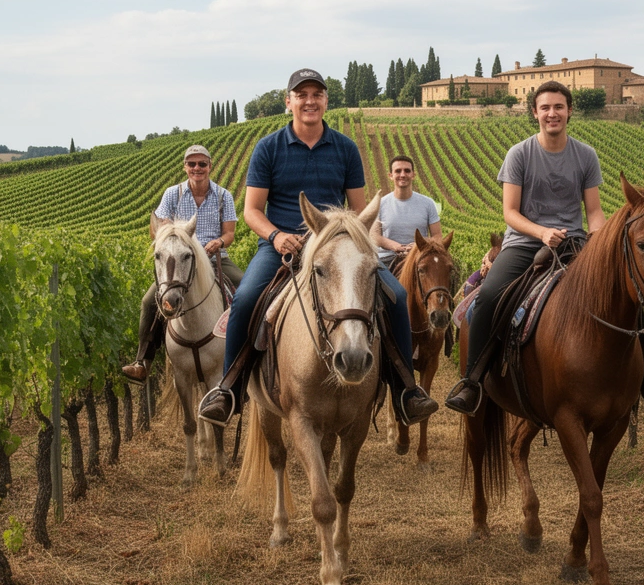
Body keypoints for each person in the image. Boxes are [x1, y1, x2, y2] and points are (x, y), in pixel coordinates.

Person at [197, 69, 439, 426]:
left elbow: (358, 211)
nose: (309, 101)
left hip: (336, 248)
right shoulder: (268, 148)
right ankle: (229, 389)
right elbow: (252, 211)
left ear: (326, 101)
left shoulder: (346, 148)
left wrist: (349, 242)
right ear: (289, 102)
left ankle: (405, 389)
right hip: (281, 247)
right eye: (302, 95)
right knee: (246, 299)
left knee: (397, 297)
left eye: (317, 94)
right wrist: (276, 236)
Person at [444, 81, 644, 415]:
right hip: (523, 243)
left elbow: (594, 212)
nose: (552, 113)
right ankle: (472, 381)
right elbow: (510, 212)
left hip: (574, 244)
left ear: (570, 111)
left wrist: (599, 241)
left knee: (629, 295)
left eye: (558, 107)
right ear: (535, 113)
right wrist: (542, 232)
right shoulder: (519, 154)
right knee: (489, 296)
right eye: (545, 108)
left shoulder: (585, 155)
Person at [122, 144, 241, 383]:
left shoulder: (223, 196)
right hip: (180, 262)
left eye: (202, 164)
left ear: (210, 166)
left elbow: (229, 233)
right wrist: (167, 231)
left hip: (214, 259)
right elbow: (157, 230)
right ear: (185, 167)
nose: (197, 168)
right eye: (192, 164)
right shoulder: (172, 194)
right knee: (148, 302)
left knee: (247, 292)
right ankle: (142, 361)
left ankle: (247, 358)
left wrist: (218, 242)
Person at [371, 155, 441, 271]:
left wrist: (419, 245)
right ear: (390, 176)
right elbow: (375, 236)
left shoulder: (428, 203)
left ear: (413, 175)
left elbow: (437, 236)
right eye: (398, 171)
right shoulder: (380, 204)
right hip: (388, 260)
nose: (403, 175)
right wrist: (396, 247)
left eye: (407, 171)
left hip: (419, 259)